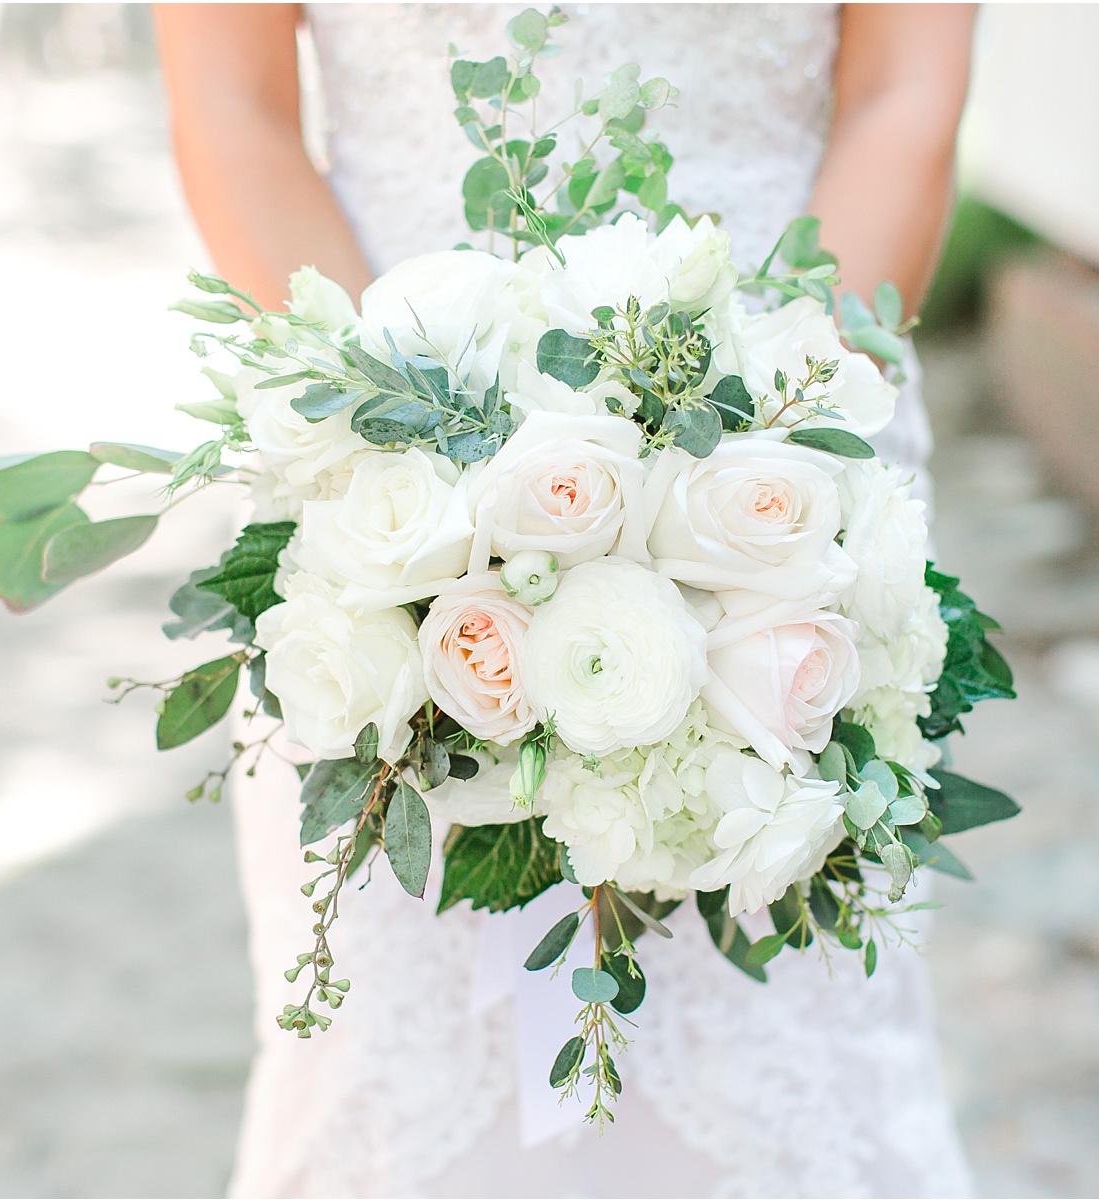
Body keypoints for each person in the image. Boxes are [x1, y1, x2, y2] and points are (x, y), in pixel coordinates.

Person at [153, 5, 977, 1196]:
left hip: (791, 443)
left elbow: (905, 89)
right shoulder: (378, 458)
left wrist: (761, 432)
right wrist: (404, 445)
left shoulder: (790, 444)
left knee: (788, 1017)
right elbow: (234, 106)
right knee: (391, 1040)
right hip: (374, 464)